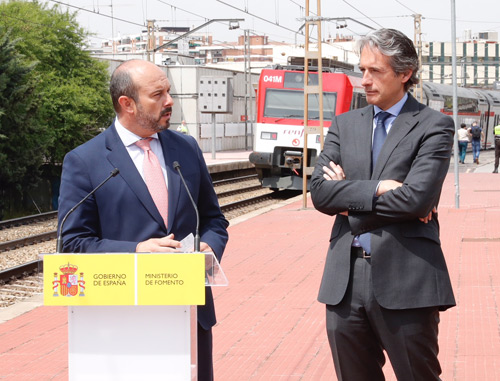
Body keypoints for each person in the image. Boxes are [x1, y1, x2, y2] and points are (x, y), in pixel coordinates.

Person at [57, 59, 229, 381]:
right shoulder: (85, 161)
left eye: (169, 91)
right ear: (127, 104)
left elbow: (214, 220)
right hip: (122, 322)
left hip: (190, 313)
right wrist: (136, 252)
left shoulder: (187, 148)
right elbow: (74, 243)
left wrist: (209, 247)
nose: (170, 101)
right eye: (158, 94)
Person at [310, 29, 456, 380]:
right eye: (362, 70)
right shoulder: (345, 125)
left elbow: (416, 198)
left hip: (408, 279)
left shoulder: (434, 126)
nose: (364, 80)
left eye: (375, 71)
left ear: (404, 73)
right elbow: (319, 192)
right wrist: (378, 189)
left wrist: (347, 199)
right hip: (345, 282)